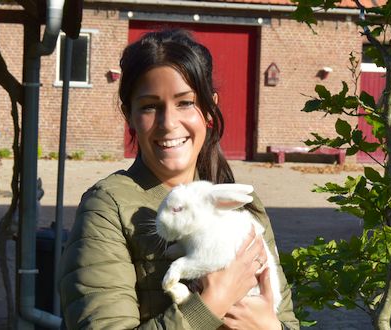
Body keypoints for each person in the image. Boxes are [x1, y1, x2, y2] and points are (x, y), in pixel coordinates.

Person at [59, 29, 299, 329]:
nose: (169, 123)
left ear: (210, 109)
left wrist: (270, 326)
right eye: (149, 106)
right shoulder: (108, 208)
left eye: (185, 103)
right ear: (129, 115)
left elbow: (286, 318)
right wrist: (213, 301)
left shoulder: (244, 206)